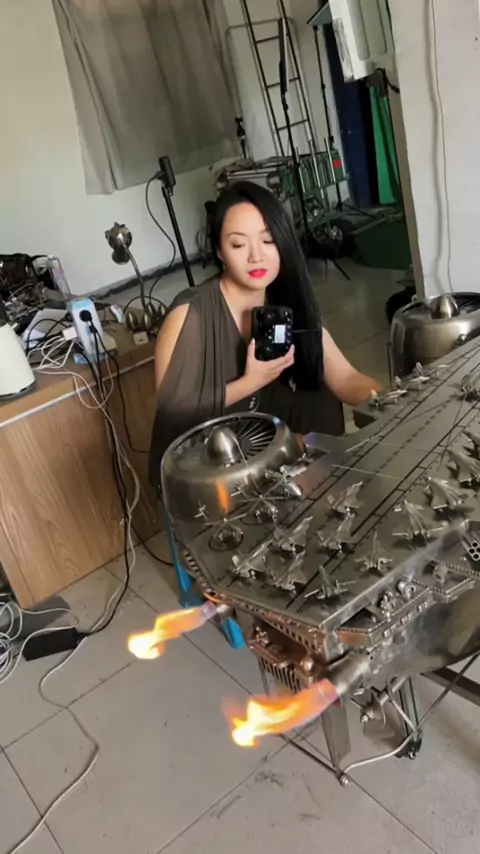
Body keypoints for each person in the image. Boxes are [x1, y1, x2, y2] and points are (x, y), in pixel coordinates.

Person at [149, 181, 381, 486]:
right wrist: (250, 382)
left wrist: (392, 401)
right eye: (238, 245)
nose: (256, 257)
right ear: (219, 251)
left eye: (268, 240)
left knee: (316, 388)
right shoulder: (190, 313)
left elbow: (346, 378)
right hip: (207, 472)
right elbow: (174, 408)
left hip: (271, 447)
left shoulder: (287, 300)